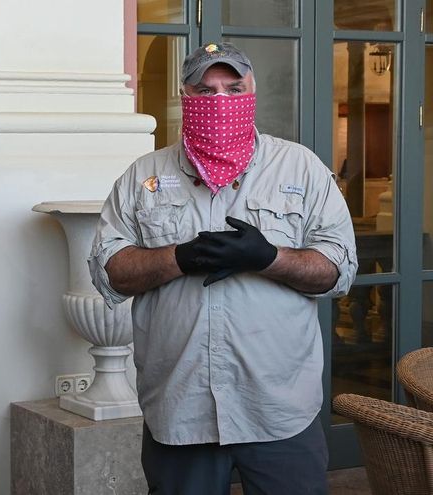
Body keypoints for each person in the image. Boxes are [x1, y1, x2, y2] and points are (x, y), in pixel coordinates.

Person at [89, 42, 358, 494]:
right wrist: (178, 257)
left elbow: (338, 271)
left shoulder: (301, 167)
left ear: (252, 93)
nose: (219, 101)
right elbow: (110, 271)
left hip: (278, 409)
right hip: (181, 408)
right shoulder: (143, 176)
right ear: (184, 96)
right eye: (204, 90)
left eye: (233, 89)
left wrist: (269, 258)